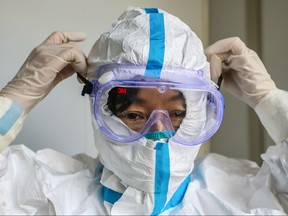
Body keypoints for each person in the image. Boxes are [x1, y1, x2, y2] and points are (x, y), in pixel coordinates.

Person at [0, 6, 288, 215]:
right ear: (102, 109)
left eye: (176, 114)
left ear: (198, 113)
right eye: (135, 115)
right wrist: (17, 95)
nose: (159, 132)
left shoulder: (243, 193)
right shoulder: (46, 189)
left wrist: (269, 99)